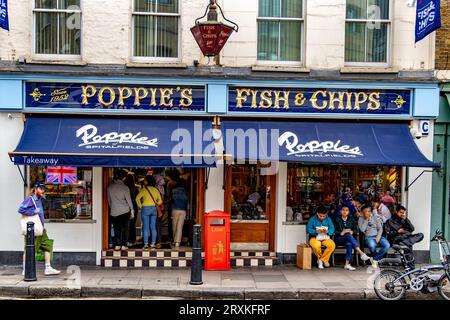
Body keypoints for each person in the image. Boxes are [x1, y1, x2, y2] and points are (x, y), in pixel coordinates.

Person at [18, 182, 60, 276]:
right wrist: (33, 211)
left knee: (47, 246)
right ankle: (25, 269)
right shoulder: (30, 199)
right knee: (29, 249)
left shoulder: (39, 199)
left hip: (40, 228)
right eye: (41, 188)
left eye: (43, 189)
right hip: (32, 229)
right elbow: (20, 209)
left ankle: (48, 268)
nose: (43, 190)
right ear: (36, 189)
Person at [333, 204, 371, 271]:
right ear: (340, 211)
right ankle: (361, 252)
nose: (345, 211)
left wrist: (352, 232)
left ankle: (347, 264)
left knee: (349, 244)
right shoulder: (336, 219)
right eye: (343, 210)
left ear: (349, 212)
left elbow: (356, 230)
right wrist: (340, 233)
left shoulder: (351, 219)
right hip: (339, 239)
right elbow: (333, 230)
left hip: (348, 239)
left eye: (346, 210)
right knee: (347, 235)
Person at [107, 169, 134, 251]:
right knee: (125, 228)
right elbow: (129, 200)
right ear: (124, 178)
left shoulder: (110, 187)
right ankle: (123, 245)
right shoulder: (125, 187)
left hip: (114, 211)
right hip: (124, 211)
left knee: (116, 228)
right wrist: (132, 210)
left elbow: (109, 200)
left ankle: (117, 245)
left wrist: (113, 207)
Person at [136, 175, 163, 249]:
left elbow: (137, 198)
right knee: (153, 227)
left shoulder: (144, 189)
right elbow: (160, 201)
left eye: (145, 180)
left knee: (145, 227)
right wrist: (155, 203)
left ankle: (145, 244)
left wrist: (141, 206)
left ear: (147, 181)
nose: (144, 181)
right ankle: (153, 244)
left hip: (145, 209)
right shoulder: (156, 190)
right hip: (154, 209)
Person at [171, 178, 189, 247]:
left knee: (174, 226)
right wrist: (187, 214)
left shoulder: (173, 191)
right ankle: (177, 242)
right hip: (183, 210)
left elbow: (171, 201)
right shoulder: (186, 192)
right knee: (180, 227)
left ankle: (174, 240)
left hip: (175, 209)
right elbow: (188, 204)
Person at [124, 173, 138, 247]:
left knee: (126, 224)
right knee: (132, 224)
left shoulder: (124, 187)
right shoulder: (135, 188)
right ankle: (132, 240)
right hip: (134, 206)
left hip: (126, 206)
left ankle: (126, 240)